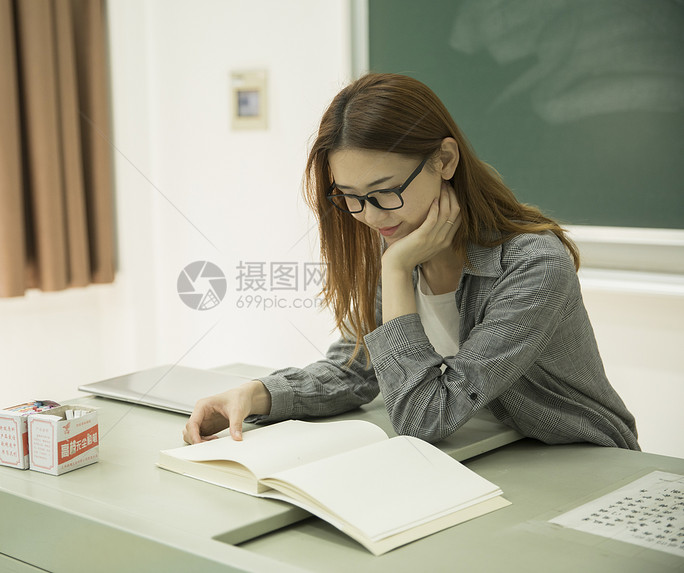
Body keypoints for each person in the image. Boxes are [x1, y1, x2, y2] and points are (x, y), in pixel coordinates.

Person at [183, 73, 639, 450]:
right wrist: (257, 393)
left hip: (579, 461)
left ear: (444, 159)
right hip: (491, 454)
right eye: (351, 198)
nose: (372, 216)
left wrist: (398, 271)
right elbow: (357, 369)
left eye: (385, 192)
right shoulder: (395, 239)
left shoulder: (533, 265)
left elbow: (423, 417)